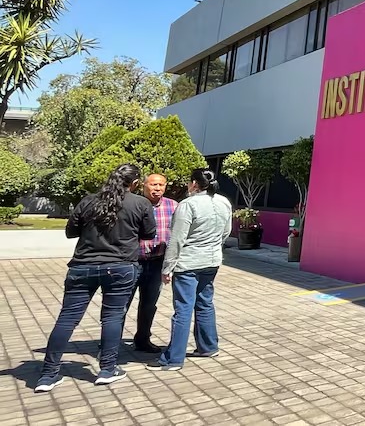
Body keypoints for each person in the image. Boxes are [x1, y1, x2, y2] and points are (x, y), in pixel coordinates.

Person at [35, 163, 156, 392]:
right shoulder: (140, 203)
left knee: (67, 318)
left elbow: (71, 231)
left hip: (83, 267)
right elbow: (148, 234)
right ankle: (107, 370)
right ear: (136, 183)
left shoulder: (88, 201)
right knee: (111, 317)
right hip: (120, 267)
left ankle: (48, 375)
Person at [158, 168, 232, 370]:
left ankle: (174, 358)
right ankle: (208, 346)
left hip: (188, 263)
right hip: (211, 261)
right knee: (205, 303)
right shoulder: (224, 202)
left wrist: (167, 267)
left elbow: (177, 239)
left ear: (194, 184)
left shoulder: (187, 205)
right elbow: (226, 232)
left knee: (183, 308)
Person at [125, 173, 176, 353]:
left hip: (157, 263)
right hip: (132, 262)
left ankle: (143, 339)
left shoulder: (173, 206)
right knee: (122, 304)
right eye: (153, 184)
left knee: (149, 304)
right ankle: (109, 342)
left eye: (161, 185)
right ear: (143, 185)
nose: (157, 188)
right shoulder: (133, 204)